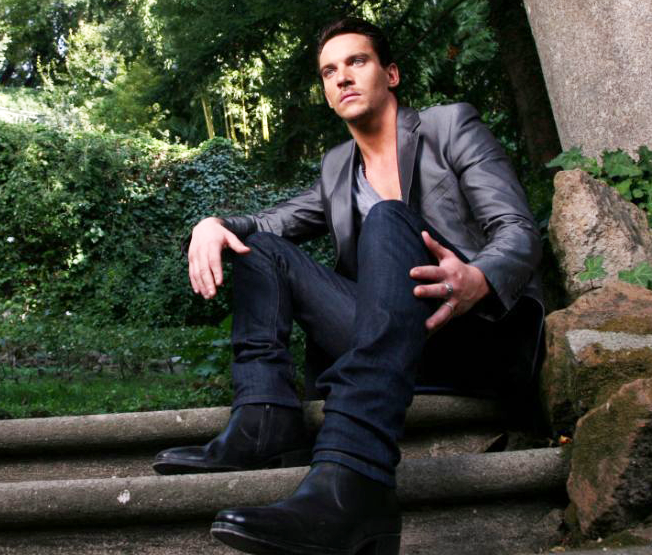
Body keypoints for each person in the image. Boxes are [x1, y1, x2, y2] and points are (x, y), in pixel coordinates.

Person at [154, 16, 544, 555]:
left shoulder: (449, 126)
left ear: (391, 74)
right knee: (259, 248)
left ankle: (352, 480)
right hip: (388, 339)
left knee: (388, 218)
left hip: (473, 333)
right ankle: (263, 419)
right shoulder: (338, 167)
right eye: (329, 71)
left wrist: (477, 277)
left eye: (356, 61)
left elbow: (519, 230)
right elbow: (271, 222)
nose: (342, 77)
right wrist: (212, 224)